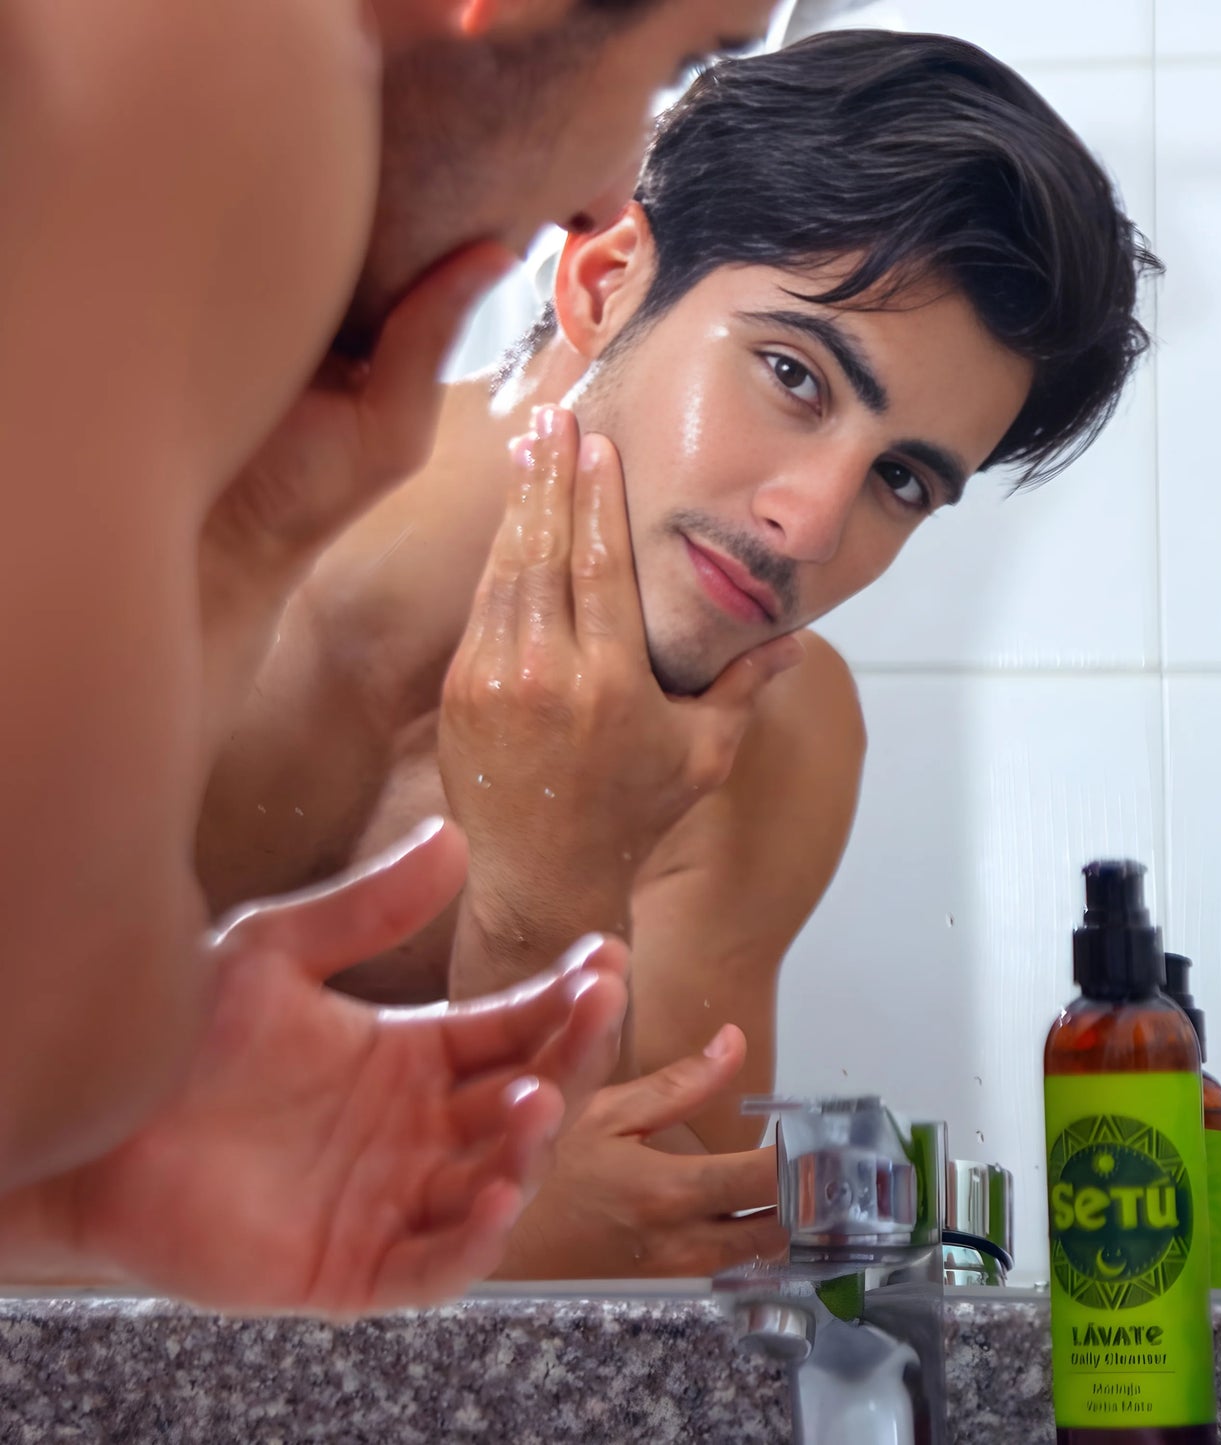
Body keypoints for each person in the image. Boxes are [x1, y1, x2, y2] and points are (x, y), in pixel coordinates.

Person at [198, 29, 1162, 1278]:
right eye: (791, 375)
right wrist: (446, 1217)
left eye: (902, 479)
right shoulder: (181, 541)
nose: (809, 523)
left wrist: (547, 887)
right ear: (602, 284)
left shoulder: (777, 739)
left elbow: (642, 1266)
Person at [0, 0, 777, 1306]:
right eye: (682, 59)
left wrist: (85, 1179)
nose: (599, 199)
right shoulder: (241, 48)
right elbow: (37, 1014)